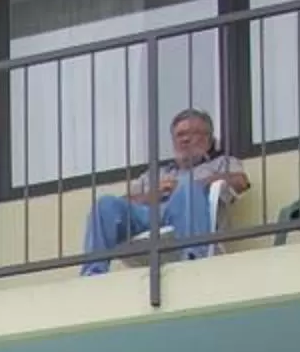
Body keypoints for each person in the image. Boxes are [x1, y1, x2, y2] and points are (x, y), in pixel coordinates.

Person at [82, 109, 249, 273]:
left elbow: (241, 182)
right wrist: (153, 194)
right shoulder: (155, 174)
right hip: (149, 216)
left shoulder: (220, 163)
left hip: (190, 214)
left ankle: (193, 263)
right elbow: (124, 201)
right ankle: (93, 272)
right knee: (105, 205)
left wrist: (195, 185)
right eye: (179, 135)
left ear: (209, 140)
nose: (185, 139)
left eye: (192, 133)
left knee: (188, 188)